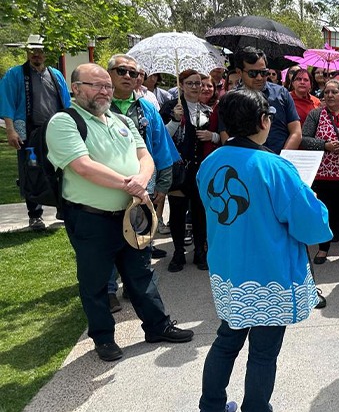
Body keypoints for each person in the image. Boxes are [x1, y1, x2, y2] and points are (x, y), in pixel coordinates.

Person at [45, 63, 193, 362]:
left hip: (130, 213)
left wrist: (140, 180)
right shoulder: (64, 122)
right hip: (91, 218)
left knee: (141, 274)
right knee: (95, 281)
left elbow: (145, 156)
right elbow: (82, 166)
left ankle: (157, 326)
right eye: (96, 85)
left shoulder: (121, 120)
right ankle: (103, 339)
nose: (104, 91)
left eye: (107, 87)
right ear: (75, 88)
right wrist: (133, 185)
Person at [197, 89, 332, 412]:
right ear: (263, 120)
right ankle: (256, 408)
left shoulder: (210, 161)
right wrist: (308, 196)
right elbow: (311, 225)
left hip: (229, 269)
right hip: (269, 273)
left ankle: (211, 405)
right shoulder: (274, 167)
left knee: (227, 340)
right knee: (263, 352)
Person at [106, 54, 181, 310]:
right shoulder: (98, 107)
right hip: (107, 186)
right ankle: (108, 290)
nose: (128, 76)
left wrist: (162, 185)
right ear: (110, 75)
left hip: (144, 187)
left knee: (141, 236)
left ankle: (135, 285)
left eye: (133, 72)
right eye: (122, 71)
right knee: (108, 240)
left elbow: (162, 148)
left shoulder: (147, 108)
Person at [0, 35, 71, 230]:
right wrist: (10, 130)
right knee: (31, 171)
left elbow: (66, 103)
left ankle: (61, 208)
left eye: (39, 51)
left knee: (61, 168)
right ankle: (35, 214)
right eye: (32, 51)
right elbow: (7, 102)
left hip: (54, 130)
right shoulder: (15, 75)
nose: (36, 54)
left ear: (45, 53)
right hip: (28, 131)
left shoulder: (56, 75)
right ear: (27, 52)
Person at [160, 70, 221, 272]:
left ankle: (199, 252)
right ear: (182, 85)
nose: (196, 87)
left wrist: (211, 136)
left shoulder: (208, 110)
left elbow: (218, 137)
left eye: (199, 83)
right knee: (177, 212)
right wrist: (175, 121)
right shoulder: (171, 108)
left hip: (201, 169)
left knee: (200, 212)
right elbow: (161, 138)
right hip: (178, 168)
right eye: (191, 83)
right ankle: (178, 252)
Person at [300, 79, 339, 265]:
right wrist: (325, 146)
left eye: (334, 92)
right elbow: (304, 139)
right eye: (327, 92)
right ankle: (323, 248)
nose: (330, 95)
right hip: (322, 174)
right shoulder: (315, 114)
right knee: (324, 212)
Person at [220, 47, 301, 153]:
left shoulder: (282, 93)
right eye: (253, 73)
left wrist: (279, 160)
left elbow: (296, 132)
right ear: (239, 72)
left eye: (263, 73)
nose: (259, 77)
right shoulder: (230, 100)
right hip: (246, 162)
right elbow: (225, 135)